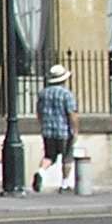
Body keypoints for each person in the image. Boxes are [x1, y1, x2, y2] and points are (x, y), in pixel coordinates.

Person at [35, 62, 78, 193]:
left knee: (49, 156)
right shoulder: (66, 94)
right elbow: (72, 114)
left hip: (48, 131)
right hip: (64, 130)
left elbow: (39, 112)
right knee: (67, 157)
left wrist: (42, 124)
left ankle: (41, 172)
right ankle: (64, 184)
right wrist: (75, 130)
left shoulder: (43, 93)